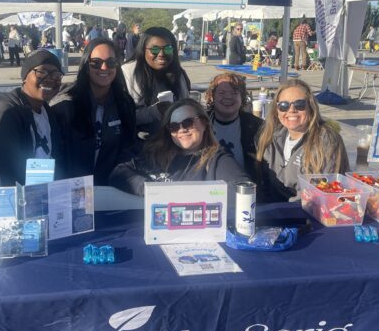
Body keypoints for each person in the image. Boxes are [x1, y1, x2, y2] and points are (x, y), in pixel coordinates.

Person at [109, 99, 251, 213]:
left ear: (204, 123)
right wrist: (149, 188)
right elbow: (119, 173)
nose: (182, 130)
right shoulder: (157, 153)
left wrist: (186, 197)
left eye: (188, 123)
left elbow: (243, 192)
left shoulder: (216, 159)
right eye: (174, 126)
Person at [0, 50, 65, 186]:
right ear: (25, 76)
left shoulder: (46, 112)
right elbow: (0, 174)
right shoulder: (3, 113)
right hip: (4, 199)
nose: (49, 79)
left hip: (38, 193)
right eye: (41, 72)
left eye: (56, 75)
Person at [51, 39, 137, 185]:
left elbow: (128, 147)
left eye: (111, 62)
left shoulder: (124, 103)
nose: (104, 68)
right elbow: (55, 154)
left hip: (110, 190)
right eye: (96, 63)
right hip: (71, 190)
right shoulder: (65, 105)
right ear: (86, 66)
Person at [254, 79, 349, 201]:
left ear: (311, 107)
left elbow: (322, 192)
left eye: (299, 104)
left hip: (307, 213)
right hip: (273, 211)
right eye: (283, 106)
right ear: (276, 110)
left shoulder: (326, 141)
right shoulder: (269, 137)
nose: (291, 110)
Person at [121, 26, 191, 135]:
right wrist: (155, 112)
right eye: (155, 49)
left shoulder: (178, 74)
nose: (161, 54)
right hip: (138, 144)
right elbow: (121, 118)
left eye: (167, 48)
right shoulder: (128, 72)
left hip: (174, 141)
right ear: (143, 50)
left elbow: (186, 107)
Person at [204, 73, 263, 183]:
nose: (228, 97)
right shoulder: (200, 124)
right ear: (212, 97)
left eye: (234, 93)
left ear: (242, 97)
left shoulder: (257, 126)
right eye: (222, 93)